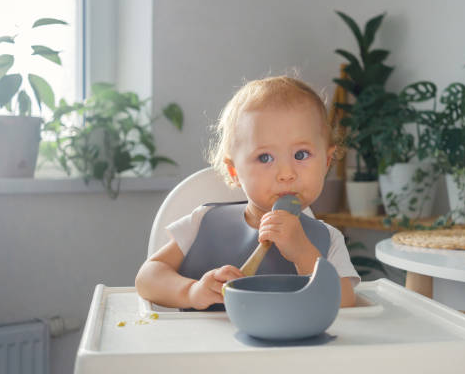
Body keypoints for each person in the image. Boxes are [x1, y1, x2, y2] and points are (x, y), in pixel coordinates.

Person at [135, 76, 359, 310]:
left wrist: (304, 253)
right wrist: (191, 291)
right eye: (265, 158)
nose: (286, 173)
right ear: (234, 172)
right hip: (203, 345)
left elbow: (344, 304)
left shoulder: (327, 239)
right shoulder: (204, 222)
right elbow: (147, 278)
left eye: (301, 155)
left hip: (290, 348)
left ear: (327, 161)